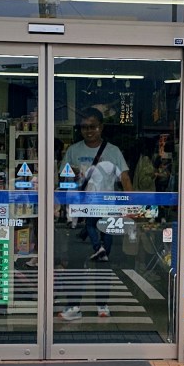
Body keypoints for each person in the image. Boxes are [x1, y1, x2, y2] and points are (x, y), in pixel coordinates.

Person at [58, 108, 132, 322]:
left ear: (101, 127)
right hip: (79, 215)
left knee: (103, 261)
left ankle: (102, 303)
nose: (88, 131)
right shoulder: (73, 150)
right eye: (84, 127)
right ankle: (74, 306)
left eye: (93, 126)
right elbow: (64, 180)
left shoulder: (113, 152)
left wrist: (131, 205)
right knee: (75, 262)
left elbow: (125, 179)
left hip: (106, 214)